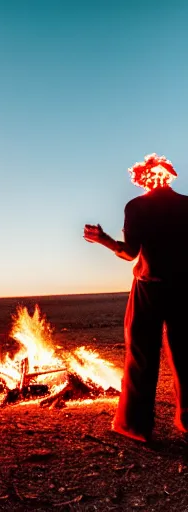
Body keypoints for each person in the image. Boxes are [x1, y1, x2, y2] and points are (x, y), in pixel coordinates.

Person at [84, 153, 188, 442]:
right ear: (169, 175)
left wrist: (102, 239)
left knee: (142, 354)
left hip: (149, 286)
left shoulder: (138, 207)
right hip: (184, 289)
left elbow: (130, 252)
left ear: (142, 177)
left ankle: (136, 425)